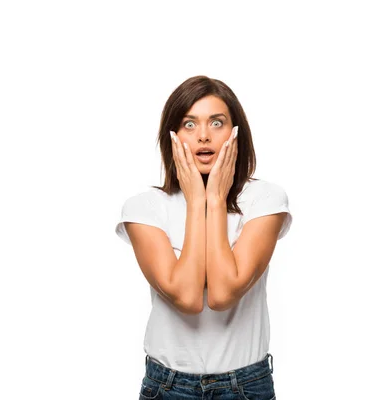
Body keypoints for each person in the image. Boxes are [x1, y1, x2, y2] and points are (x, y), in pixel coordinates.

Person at [115, 75, 292, 399]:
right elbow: (188, 298)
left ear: (236, 133)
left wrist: (215, 199)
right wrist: (198, 202)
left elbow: (224, 293)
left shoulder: (265, 200)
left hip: (246, 386)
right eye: (190, 124)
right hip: (167, 387)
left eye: (217, 122)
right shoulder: (144, 208)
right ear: (172, 135)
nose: (204, 136)